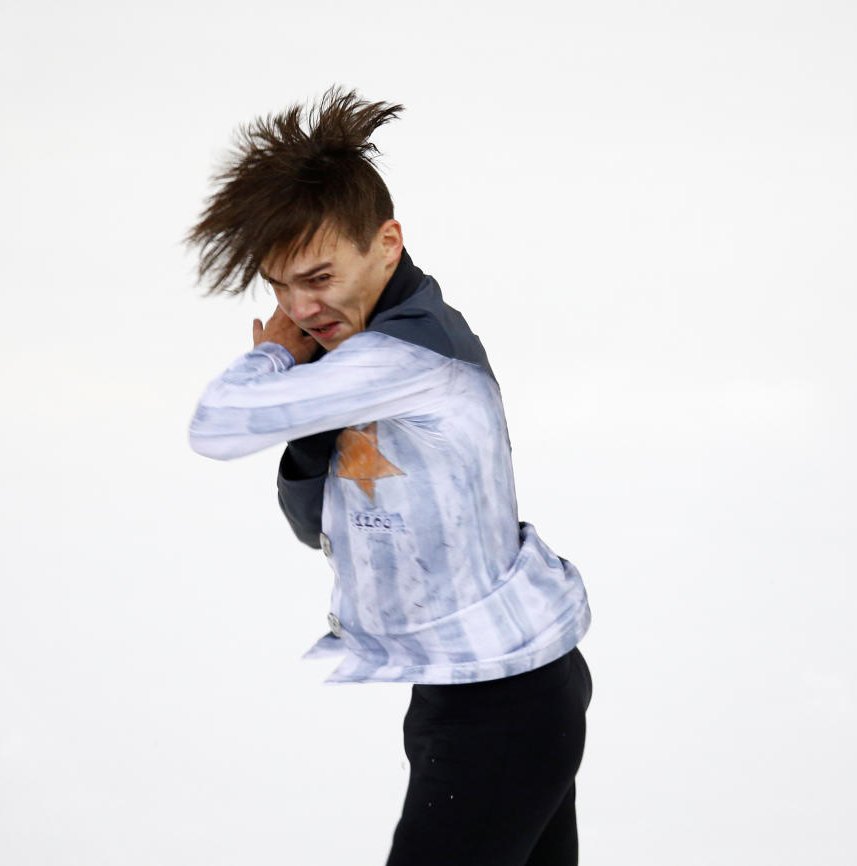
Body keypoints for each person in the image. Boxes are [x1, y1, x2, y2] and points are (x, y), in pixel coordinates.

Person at [185, 87, 593, 866]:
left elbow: (218, 423)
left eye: (318, 276)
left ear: (388, 243)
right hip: (477, 690)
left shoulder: (403, 358)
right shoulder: (364, 364)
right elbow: (317, 526)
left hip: (501, 707)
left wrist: (272, 353)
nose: (299, 308)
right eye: (278, 288)